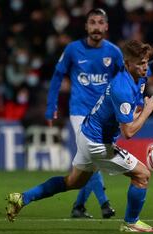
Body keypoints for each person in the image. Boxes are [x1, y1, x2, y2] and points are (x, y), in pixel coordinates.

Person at [6, 39, 153, 232]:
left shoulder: (133, 77)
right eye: (140, 63)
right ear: (127, 64)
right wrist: (147, 110)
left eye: (146, 62)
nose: (145, 67)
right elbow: (128, 132)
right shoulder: (122, 87)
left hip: (87, 135)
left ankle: (23, 198)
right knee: (142, 175)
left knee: (73, 182)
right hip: (97, 143)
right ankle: (131, 223)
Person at [45, 8, 119, 219]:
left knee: (89, 162)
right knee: (92, 156)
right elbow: (57, 77)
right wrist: (51, 108)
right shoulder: (72, 50)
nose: (96, 27)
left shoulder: (114, 52)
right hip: (79, 112)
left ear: (106, 26)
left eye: (100, 22)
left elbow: (126, 79)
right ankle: (105, 204)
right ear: (86, 26)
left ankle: (79, 207)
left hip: (105, 115)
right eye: (92, 22)